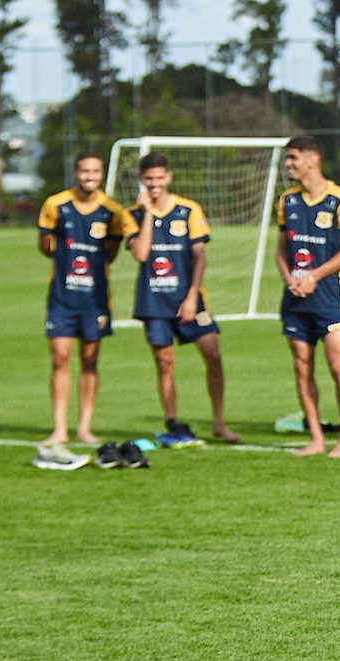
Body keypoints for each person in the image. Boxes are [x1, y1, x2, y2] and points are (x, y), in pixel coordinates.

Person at [122, 151, 241, 448]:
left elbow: (200, 257)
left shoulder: (189, 210)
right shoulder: (132, 214)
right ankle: (172, 421)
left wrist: (191, 298)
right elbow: (141, 253)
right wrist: (148, 212)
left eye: (159, 178)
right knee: (165, 364)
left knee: (213, 354)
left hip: (189, 299)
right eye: (149, 179)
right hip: (154, 303)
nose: (154, 184)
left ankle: (219, 421)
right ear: (141, 179)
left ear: (169, 177)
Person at [34, 150, 124, 468]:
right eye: (84, 171)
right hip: (61, 297)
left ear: (101, 175)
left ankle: (84, 426)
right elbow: (44, 246)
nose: (90, 177)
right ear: (75, 172)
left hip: (95, 300)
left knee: (90, 360)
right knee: (60, 359)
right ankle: (59, 428)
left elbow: (111, 253)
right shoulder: (55, 204)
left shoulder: (112, 211)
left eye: (95, 172)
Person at [276, 136, 340, 457]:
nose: (288, 164)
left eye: (293, 158)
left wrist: (314, 276)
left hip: (330, 298)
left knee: (338, 366)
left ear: (313, 160)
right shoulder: (287, 201)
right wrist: (290, 279)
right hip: (296, 300)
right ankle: (315, 438)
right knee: (302, 368)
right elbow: (281, 249)